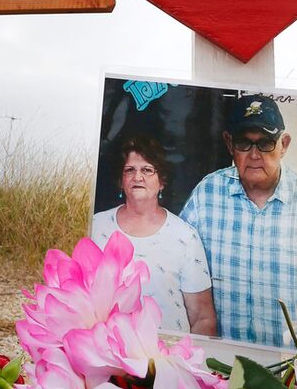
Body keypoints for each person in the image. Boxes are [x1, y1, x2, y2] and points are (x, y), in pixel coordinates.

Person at [180, 94, 297, 348]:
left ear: (284, 144)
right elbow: (181, 276)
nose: (254, 154)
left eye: (266, 143)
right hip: (224, 368)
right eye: (243, 143)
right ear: (229, 144)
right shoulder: (206, 195)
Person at [92, 134, 217, 335]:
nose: (137, 177)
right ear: (121, 181)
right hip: (108, 353)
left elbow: (203, 318)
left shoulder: (185, 236)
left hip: (166, 358)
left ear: (162, 182)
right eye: (129, 170)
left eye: (147, 170)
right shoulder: (96, 226)